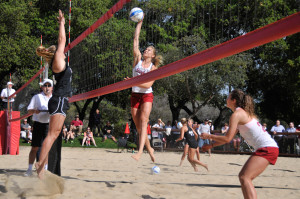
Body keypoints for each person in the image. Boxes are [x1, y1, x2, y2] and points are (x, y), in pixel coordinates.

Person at [201, 89, 279, 199]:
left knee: (244, 177)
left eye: (228, 97)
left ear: (233, 100)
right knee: (244, 178)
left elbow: (227, 139)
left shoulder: (237, 114)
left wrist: (209, 136)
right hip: (268, 147)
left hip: (267, 148)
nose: (226, 99)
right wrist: (211, 145)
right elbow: (228, 138)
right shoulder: (243, 113)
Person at [35, 10, 72, 179]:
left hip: (59, 100)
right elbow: (62, 40)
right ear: (55, 51)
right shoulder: (58, 59)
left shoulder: (59, 62)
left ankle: (41, 167)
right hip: (59, 100)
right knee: (52, 135)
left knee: (54, 134)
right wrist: (62, 23)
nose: (62, 49)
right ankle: (40, 165)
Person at [126, 15, 163, 162]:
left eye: (148, 50)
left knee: (143, 121)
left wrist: (133, 81)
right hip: (135, 94)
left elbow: (148, 85)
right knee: (138, 126)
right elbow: (135, 41)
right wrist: (139, 23)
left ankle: (140, 151)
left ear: (153, 55)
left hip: (147, 95)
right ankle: (150, 148)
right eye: (146, 49)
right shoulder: (138, 60)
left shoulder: (154, 68)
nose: (145, 50)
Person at [24, 78, 53, 177]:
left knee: (47, 149)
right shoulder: (37, 97)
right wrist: (34, 111)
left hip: (48, 125)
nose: (47, 88)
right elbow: (29, 110)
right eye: (45, 85)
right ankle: (29, 169)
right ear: (42, 87)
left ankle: (45, 169)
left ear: (52, 88)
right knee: (35, 148)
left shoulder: (53, 98)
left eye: (49, 86)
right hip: (38, 124)